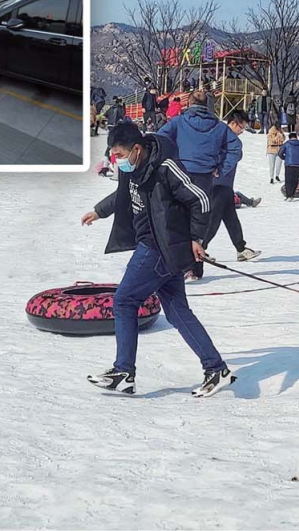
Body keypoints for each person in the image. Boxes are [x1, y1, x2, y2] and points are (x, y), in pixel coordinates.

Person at [82, 122, 235, 398]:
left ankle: (124, 372)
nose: (117, 160)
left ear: (137, 149)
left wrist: (197, 239)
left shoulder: (164, 167)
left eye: (120, 154)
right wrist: (99, 211)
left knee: (125, 301)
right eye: (113, 155)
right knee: (177, 312)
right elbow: (122, 196)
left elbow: (200, 199)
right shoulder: (135, 169)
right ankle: (216, 368)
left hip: (158, 248)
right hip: (160, 248)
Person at [156, 91, 239, 279]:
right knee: (200, 222)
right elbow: (236, 148)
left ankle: (177, 267)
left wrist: (168, 159)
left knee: (178, 219)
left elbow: (159, 139)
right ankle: (196, 267)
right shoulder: (219, 126)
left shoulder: (179, 122)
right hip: (205, 177)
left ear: (189, 102)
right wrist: (221, 167)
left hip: (180, 174)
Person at [203, 111, 262, 264]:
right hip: (218, 184)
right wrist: (217, 170)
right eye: (241, 128)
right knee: (213, 219)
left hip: (226, 185)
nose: (242, 131)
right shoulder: (223, 137)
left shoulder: (226, 136)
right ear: (234, 123)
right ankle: (200, 248)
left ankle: (241, 249)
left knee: (231, 218)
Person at [278, 132, 299, 200]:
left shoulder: (287, 144)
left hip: (289, 164)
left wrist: (285, 158)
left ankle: (288, 195)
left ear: (289, 137)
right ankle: (292, 195)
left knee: (288, 180)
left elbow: (280, 153)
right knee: (295, 180)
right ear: (296, 137)